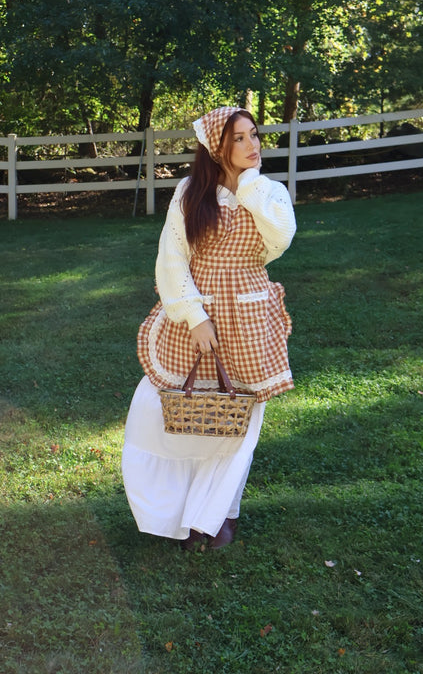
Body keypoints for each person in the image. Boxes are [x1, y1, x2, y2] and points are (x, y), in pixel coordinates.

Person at [122, 106, 296, 550]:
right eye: (239, 138)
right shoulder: (190, 192)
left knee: (239, 419)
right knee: (164, 412)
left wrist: (249, 186)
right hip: (196, 312)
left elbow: (280, 239)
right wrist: (195, 316)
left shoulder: (269, 192)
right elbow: (172, 256)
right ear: (217, 147)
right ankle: (177, 511)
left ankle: (219, 515)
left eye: (254, 135)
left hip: (249, 316)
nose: (252, 145)